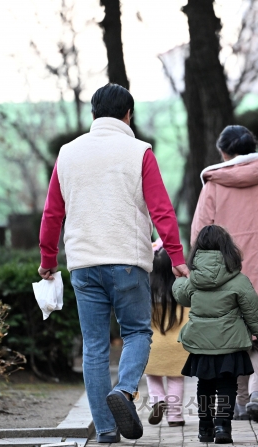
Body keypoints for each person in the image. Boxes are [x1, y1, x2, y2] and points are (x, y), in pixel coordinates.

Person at [37, 83, 190, 444]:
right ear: (128, 115)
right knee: (137, 332)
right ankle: (124, 392)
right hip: (127, 262)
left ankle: (106, 429)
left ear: (93, 114)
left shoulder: (68, 153)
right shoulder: (139, 152)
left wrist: (47, 260)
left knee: (94, 345)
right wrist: (178, 258)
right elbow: (161, 209)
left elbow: (52, 213)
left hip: (83, 265)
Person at [190, 125, 258, 423]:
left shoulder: (213, 184)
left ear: (224, 153)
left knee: (236, 336)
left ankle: (240, 402)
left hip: (229, 273)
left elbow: (199, 236)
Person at [173, 225, 258, 444]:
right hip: (230, 345)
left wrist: (178, 279)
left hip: (201, 344)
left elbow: (181, 296)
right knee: (227, 386)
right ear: (228, 249)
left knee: (204, 386)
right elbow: (255, 315)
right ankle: (222, 428)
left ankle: (204, 429)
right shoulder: (239, 280)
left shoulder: (193, 281)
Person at [144, 239, 187, 427]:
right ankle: (175, 416)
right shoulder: (182, 291)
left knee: (152, 375)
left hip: (153, 345)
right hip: (177, 345)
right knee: (176, 378)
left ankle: (158, 400)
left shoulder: (146, 293)